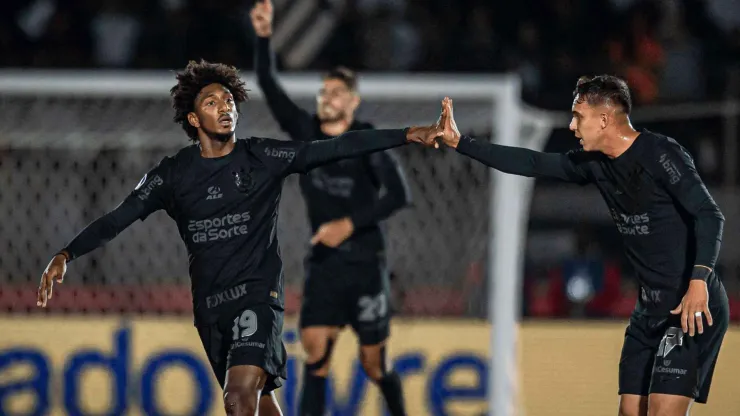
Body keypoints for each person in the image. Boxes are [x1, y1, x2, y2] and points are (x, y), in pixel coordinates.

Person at [36, 60, 442, 416]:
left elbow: (336, 147)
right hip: (211, 309)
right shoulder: (172, 175)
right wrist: (67, 254)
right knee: (258, 404)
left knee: (237, 398)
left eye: (229, 100)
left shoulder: (262, 157)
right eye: (212, 103)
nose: (225, 107)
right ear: (194, 120)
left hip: (257, 297)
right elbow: (118, 217)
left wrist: (407, 133)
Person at [437, 75, 729, 416]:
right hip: (648, 312)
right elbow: (533, 163)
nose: (572, 126)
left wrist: (699, 281)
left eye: (578, 116)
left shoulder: (661, 154)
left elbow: (709, 215)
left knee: (662, 413)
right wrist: (461, 143)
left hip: (690, 306)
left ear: (604, 119)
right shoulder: (595, 164)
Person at [250, 1, 410, 414]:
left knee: (374, 365)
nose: (327, 98)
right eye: (324, 91)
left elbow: (398, 194)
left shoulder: (367, 139)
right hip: (325, 265)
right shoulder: (307, 134)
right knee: (315, 355)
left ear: (353, 102)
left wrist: (347, 224)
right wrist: (264, 36)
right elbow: (268, 84)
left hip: (364, 265)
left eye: (336, 92)